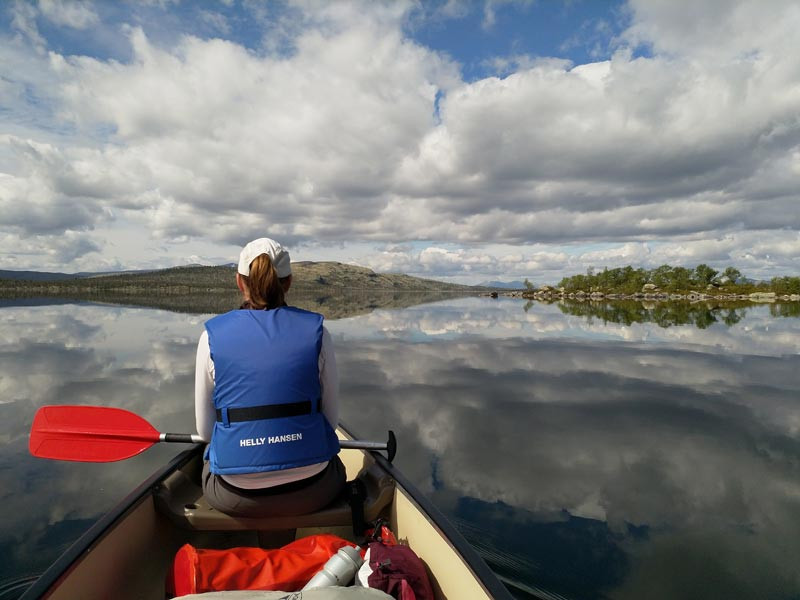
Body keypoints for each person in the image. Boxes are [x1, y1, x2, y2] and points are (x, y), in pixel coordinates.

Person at [194, 237, 345, 517]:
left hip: (235, 494)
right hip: (313, 489)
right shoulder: (319, 333)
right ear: (288, 282)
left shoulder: (210, 337)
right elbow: (331, 422)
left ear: (240, 282)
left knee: (203, 460)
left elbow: (205, 433)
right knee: (334, 465)